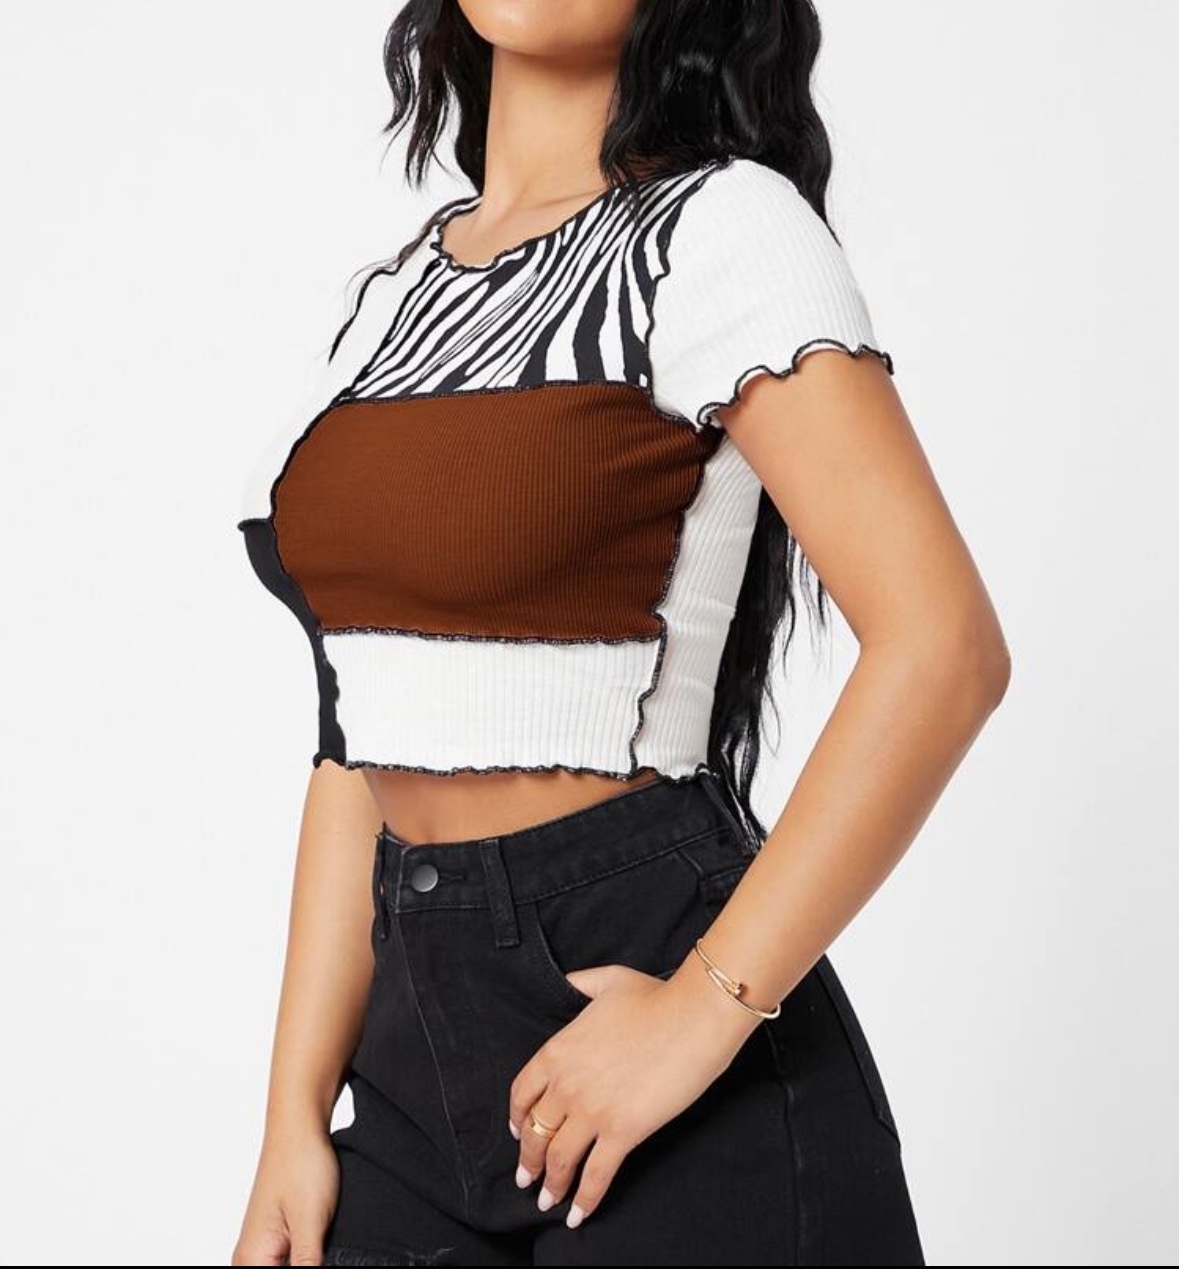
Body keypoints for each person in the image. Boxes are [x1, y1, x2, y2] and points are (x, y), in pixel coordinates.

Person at [231, 2, 1009, 1265]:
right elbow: (354, 746)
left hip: (650, 983)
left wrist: (703, 1013)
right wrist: (291, 1118)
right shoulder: (396, 298)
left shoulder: (723, 231)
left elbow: (944, 646)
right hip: (410, 1043)